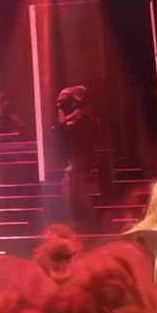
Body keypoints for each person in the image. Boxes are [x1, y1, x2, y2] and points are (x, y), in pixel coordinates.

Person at [50, 86, 100, 229]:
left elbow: (66, 125)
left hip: (81, 162)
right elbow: (61, 127)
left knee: (78, 188)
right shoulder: (77, 117)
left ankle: (85, 222)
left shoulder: (84, 117)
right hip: (76, 162)